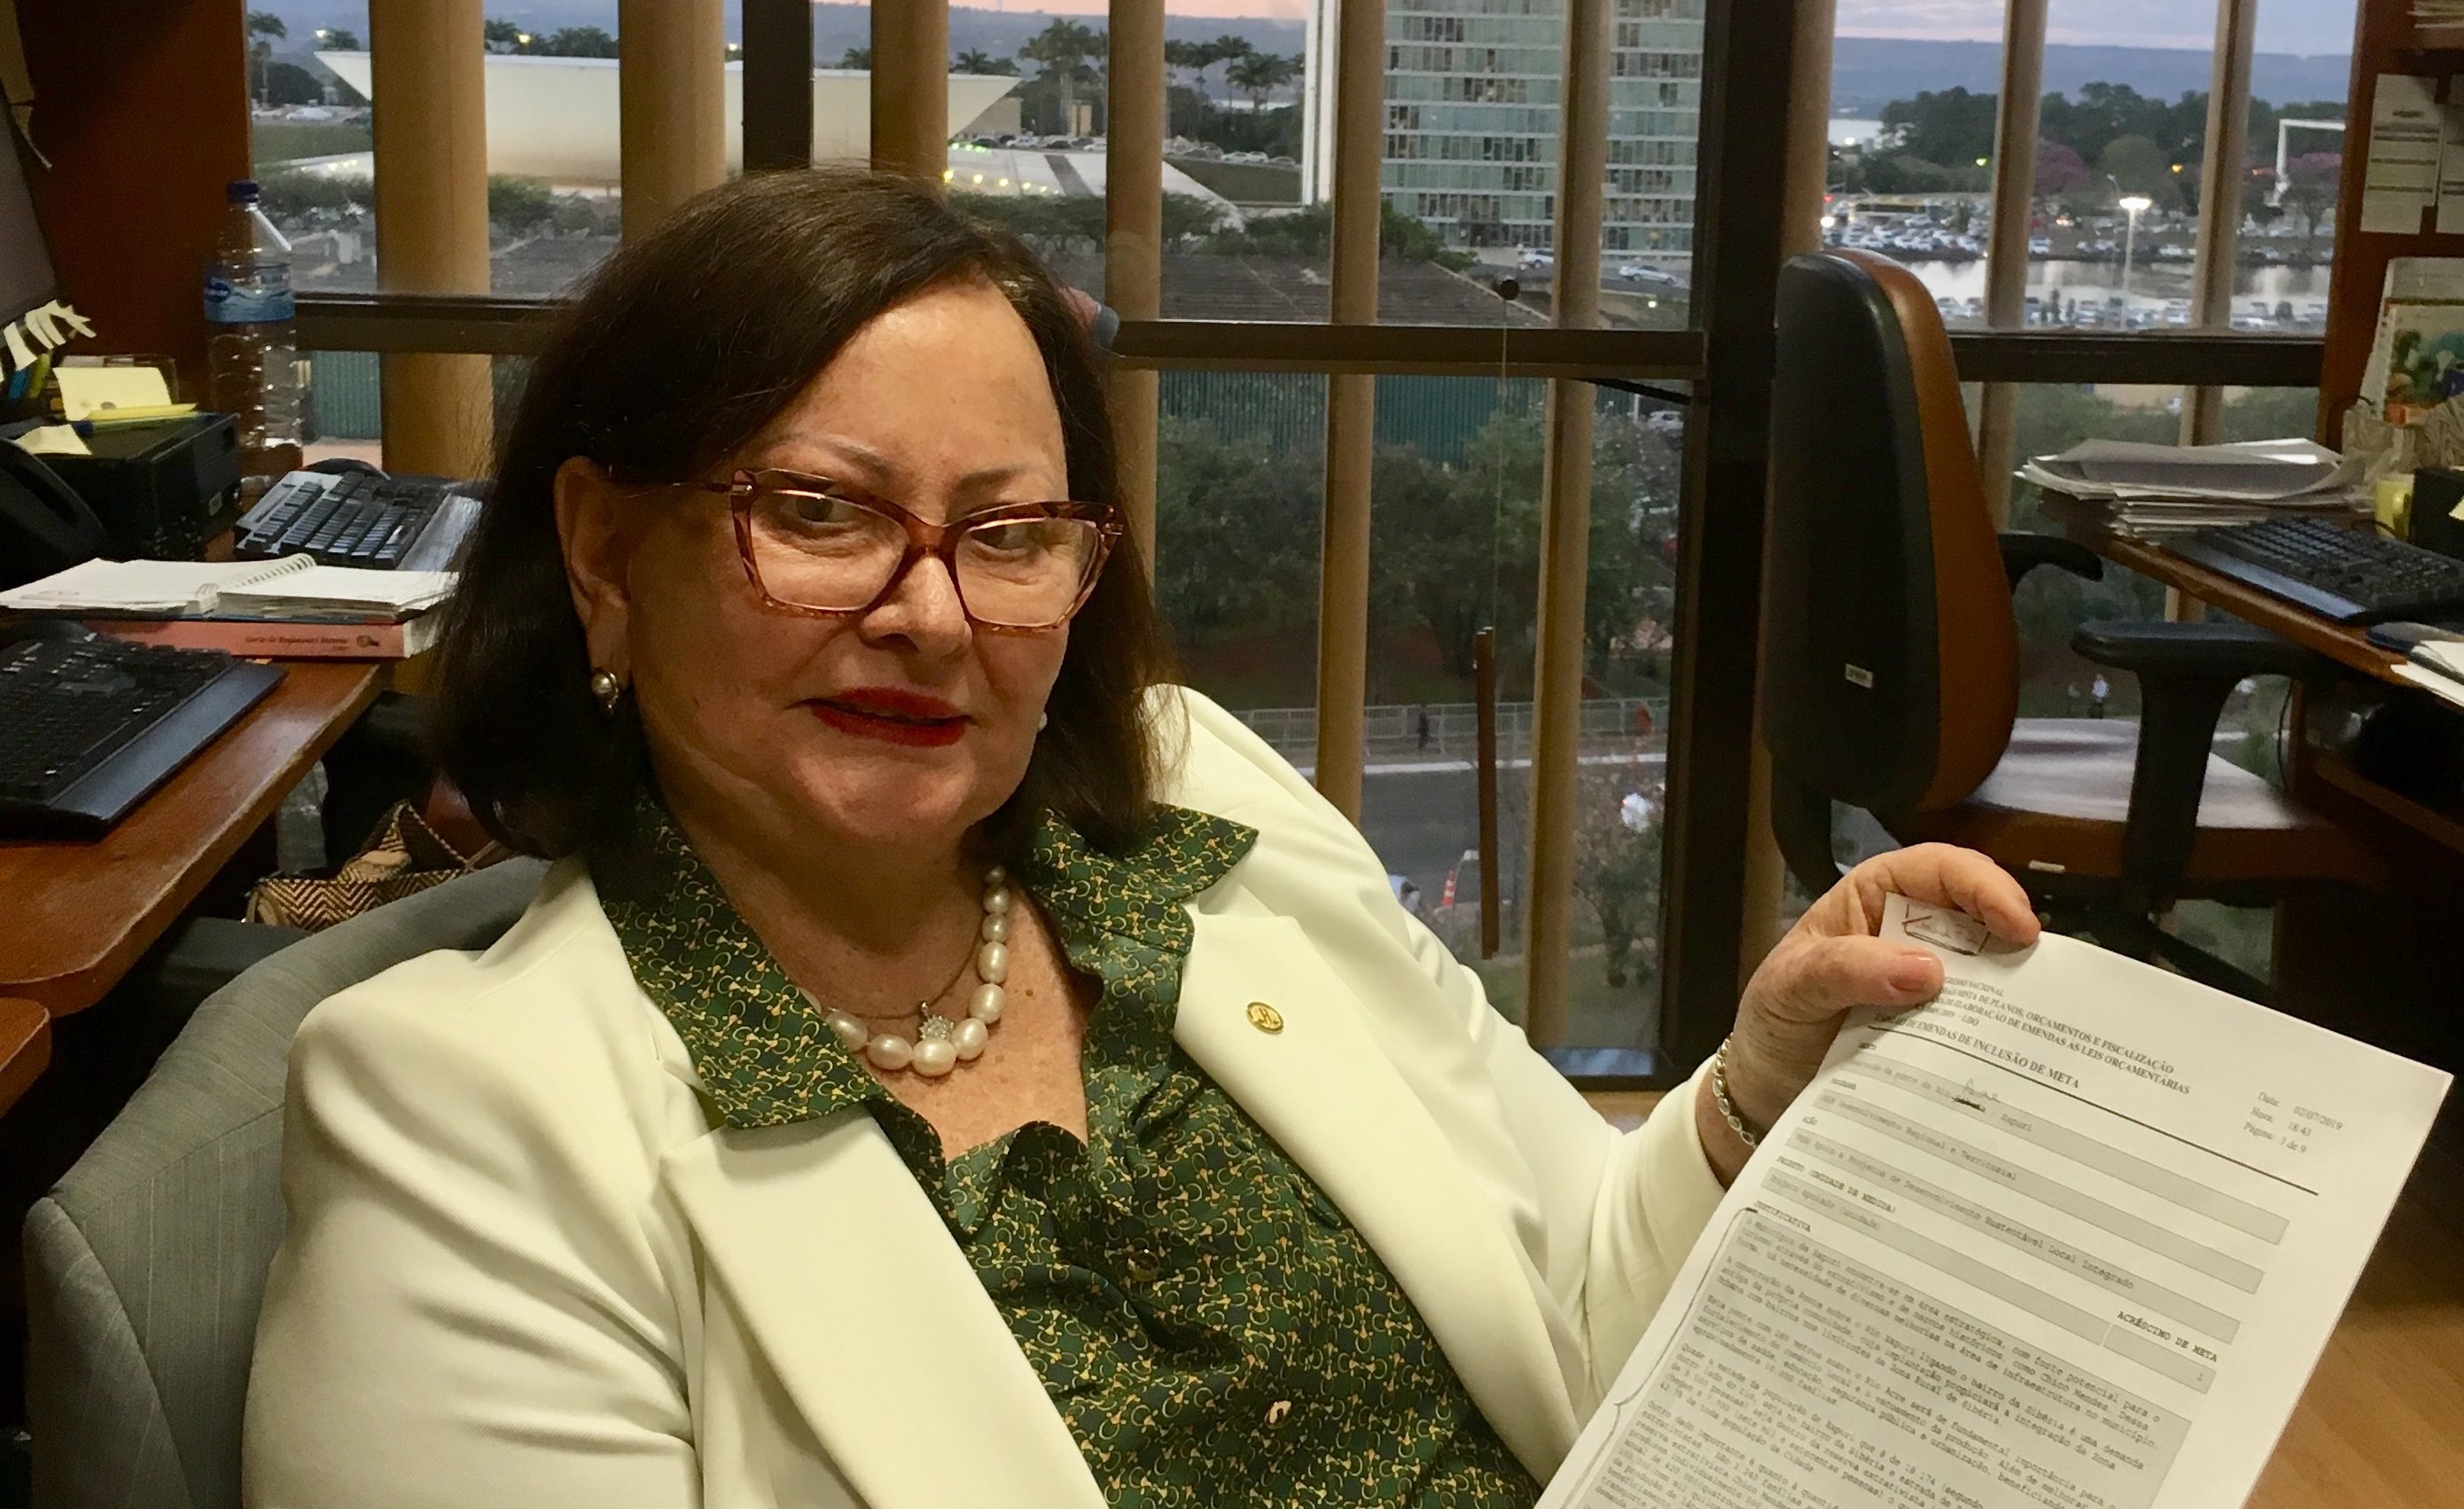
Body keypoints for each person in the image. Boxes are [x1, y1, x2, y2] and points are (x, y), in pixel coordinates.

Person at [243, 168, 2038, 1509]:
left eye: (1010, 534)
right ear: (602, 550)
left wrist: (1743, 1100)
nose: (930, 613)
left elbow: (1571, 1295)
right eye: (821, 513)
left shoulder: (1197, 803)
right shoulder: (461, 1119)